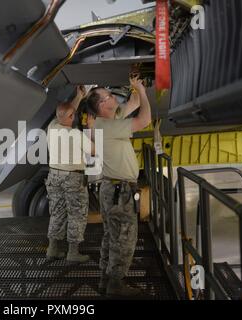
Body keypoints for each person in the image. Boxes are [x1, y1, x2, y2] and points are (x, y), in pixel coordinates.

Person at [87, 77, 151, 297]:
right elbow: (144, 120)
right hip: (119, 191)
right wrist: (142, 90)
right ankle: (116, 285)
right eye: (110, 96)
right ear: (103, 105)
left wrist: (137, 85)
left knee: (111, 236)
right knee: (125, 239)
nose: (114, 97)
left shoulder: (105, 122)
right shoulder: (112, 126)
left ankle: (106, 281)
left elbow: (132, 104)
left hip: (111, 189)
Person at [45, 86, 95, 264]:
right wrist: (91, 128)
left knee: (57, 212)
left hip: (54, 177)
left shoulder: (52, 127)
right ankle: (73, 253)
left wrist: (78, 96)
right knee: (77, 214)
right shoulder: (76, 134)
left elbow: (66, 112)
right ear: (71, 117)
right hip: (73, 178)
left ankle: (52, 250)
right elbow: (95, 151)